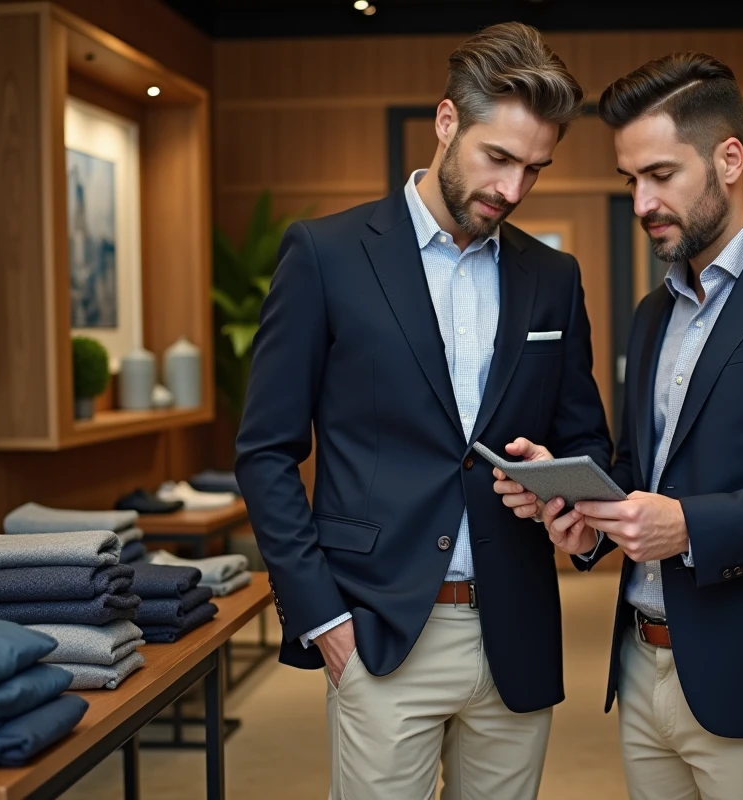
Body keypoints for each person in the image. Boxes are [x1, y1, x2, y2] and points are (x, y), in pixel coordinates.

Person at [235, 22, 612, 800]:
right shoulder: (326, 255)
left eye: (534, 169)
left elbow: (585, 440)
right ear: (446, 123)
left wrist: (564, 493)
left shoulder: (554, 277)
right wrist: (321, 619)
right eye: (498, 159)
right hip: (379, 632)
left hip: (518, 632)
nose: (512, 189)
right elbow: (266, 450)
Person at [493, 52, 743, 799]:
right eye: (630, 180)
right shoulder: (653, 310)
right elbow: (644, 471)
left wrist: (693, 528)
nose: (641, 203)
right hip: (640, 670)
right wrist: (584, 517)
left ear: (730, 159)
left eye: (661, 175)